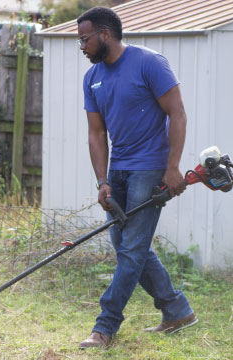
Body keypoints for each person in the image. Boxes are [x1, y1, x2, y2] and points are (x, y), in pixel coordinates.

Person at [77, 7, 198, 349]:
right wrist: (103, 181)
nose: (82, 46)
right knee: (127, 247)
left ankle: (105, 326)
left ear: (104, 34)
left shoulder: (149, 63)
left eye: (85, 39)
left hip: (150, 167)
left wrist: (172, 168)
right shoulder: (92, 78)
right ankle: (177, 310)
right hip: (118, 170)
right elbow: (96, 133)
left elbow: (178, 113)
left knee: (131, 250)